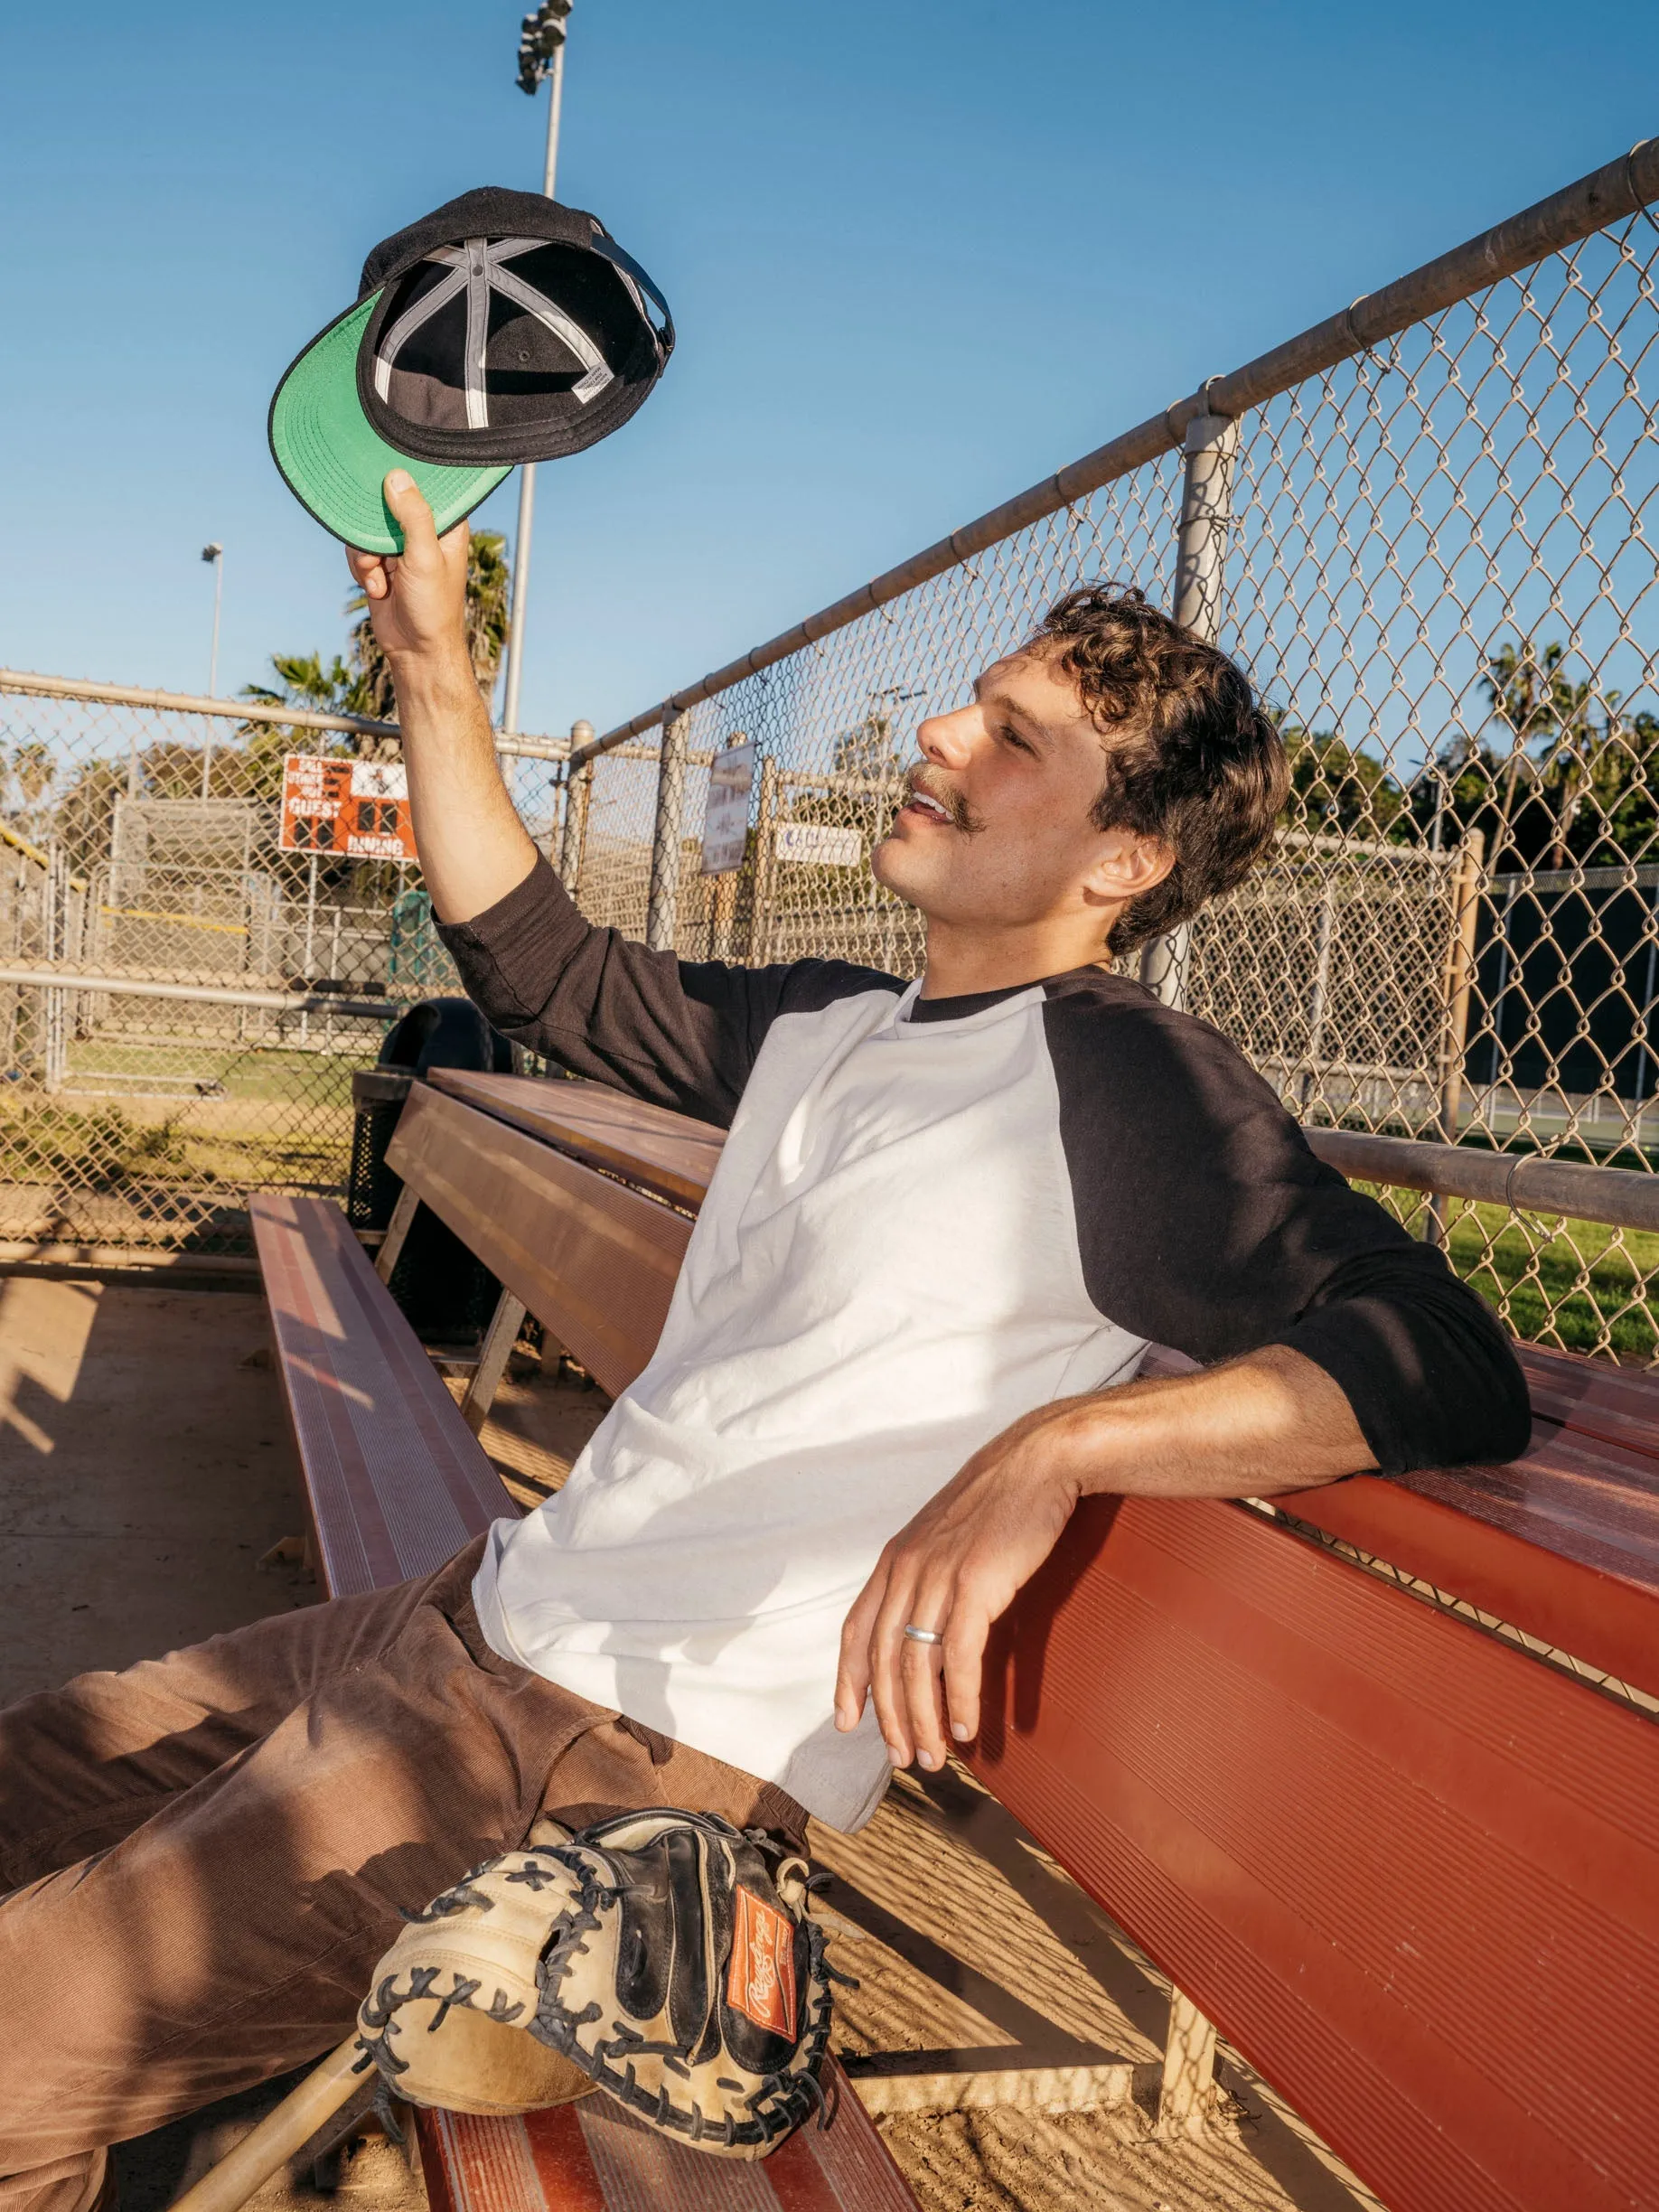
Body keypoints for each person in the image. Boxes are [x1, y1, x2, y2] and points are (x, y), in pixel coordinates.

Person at [0, 474, 1527, 2212]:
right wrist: (434, 670)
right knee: (26, 1773)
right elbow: (542, 968)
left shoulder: (1129, 1087)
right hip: (472, 1615)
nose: (940, 733)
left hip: (600, 1754)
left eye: (1012, 738)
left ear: (1127, 860)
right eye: (975, 699)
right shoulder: (833, 1017)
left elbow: (1444, 1354)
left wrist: (1058, 1447)